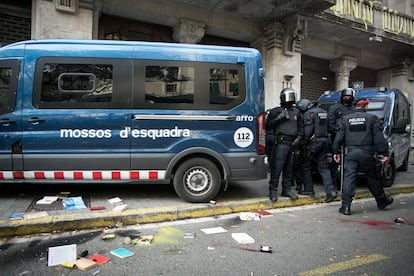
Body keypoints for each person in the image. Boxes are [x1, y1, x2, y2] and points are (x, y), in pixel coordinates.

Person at [332, 98, 393, 215]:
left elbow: (339, 138)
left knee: (349, 178)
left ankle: (346, 207)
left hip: (350, 153)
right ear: (365, 106)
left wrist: (336, 152)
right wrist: (383, 153)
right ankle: (382, 201)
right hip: (366, 153)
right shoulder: (372, 118)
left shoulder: (345, 119)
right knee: (372, 178)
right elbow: (379, 138)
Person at [265, 87, 304, 202]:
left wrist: (299, 138)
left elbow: (301, 128)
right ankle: (273, 190)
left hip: (292, 143)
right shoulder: (276, 111)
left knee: (289, 169)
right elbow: (267, 126)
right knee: (277, 168)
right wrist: (278, 119)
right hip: (281, 143)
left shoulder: (297, 112)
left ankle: (286, 189)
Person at [297, 99, 337, 203]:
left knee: (306, 166)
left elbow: (308, 131)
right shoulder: (324, 112)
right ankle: (331, 191)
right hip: (325, 142)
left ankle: (309, 190)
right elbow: (330, 128)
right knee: (324, 168)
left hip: (314, 143)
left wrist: (303, 142)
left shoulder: (308, 114)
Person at [328, 88, 355, 189]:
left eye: (349, 97)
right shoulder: (335, 108)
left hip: (351, 141)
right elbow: (330, 124)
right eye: (345, 97)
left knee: (349, 165)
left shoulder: (353, 109)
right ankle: (334, 185)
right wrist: (339, 133)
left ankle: (346, 185)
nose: (347, 98)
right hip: (337, 139)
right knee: (335, 164)